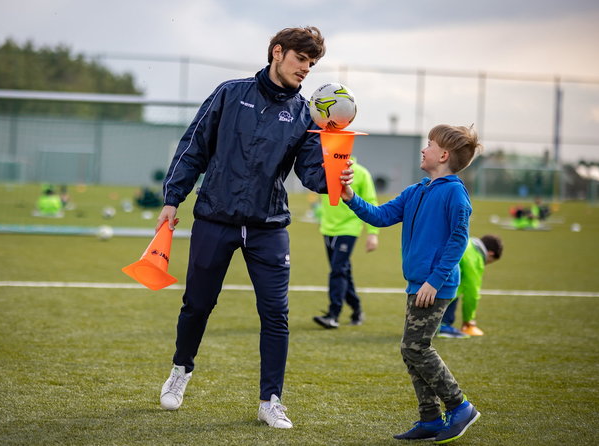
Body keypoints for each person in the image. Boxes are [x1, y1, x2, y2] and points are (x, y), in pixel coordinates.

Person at [155, 26, 327, 429]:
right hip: (215, 217)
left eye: (312, 63)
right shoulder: (229, 93)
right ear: (278, 53)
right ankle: (180, 372)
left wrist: (337, 169)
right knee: (197, 304)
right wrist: (172, 199)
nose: (305, 69)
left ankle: (271, 400)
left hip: (268, 227)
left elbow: (313, 175)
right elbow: (193, 145)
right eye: (300, 59)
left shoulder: (304, 114)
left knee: (276, 314)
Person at [340, 124, 483, 443]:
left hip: (436, 286)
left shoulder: (454, 192)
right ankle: (430, 418)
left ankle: (460, 406)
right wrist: (350, 196)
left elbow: (459, 238)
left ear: (443, 155)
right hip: (417, 284)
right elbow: (379, 216)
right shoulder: (416, 191)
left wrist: (435, 281)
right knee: (411, 349)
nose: (423, 149)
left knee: (416, 346)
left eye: (429, 144)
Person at [313, 159, 379, 329]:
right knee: (342, 271)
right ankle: (357, 309)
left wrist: (373, 234)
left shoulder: (361, 173)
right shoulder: (326, 169)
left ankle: (333, 315)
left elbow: (371, 201)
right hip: (327, 228)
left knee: (337, 270)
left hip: (349, 228)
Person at [438, 234, 504, 338]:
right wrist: (468, 320)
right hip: (439, 290)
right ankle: (443, 325)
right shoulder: (475, 258)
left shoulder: (467, 242)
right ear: (490, 253)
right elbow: (471, 294)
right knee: (457, 287)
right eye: (490, 261)